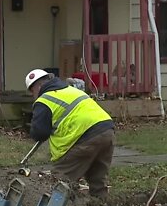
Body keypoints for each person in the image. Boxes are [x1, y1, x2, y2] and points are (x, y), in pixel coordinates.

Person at [25, 69, 115, 198]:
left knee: (60, 182)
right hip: (107, 131)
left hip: (85, 138)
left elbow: (39, 133)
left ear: (37, 87)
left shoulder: (44, 100)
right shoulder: (71, 90)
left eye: (32, 91)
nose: (33, 95)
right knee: (98, 182)